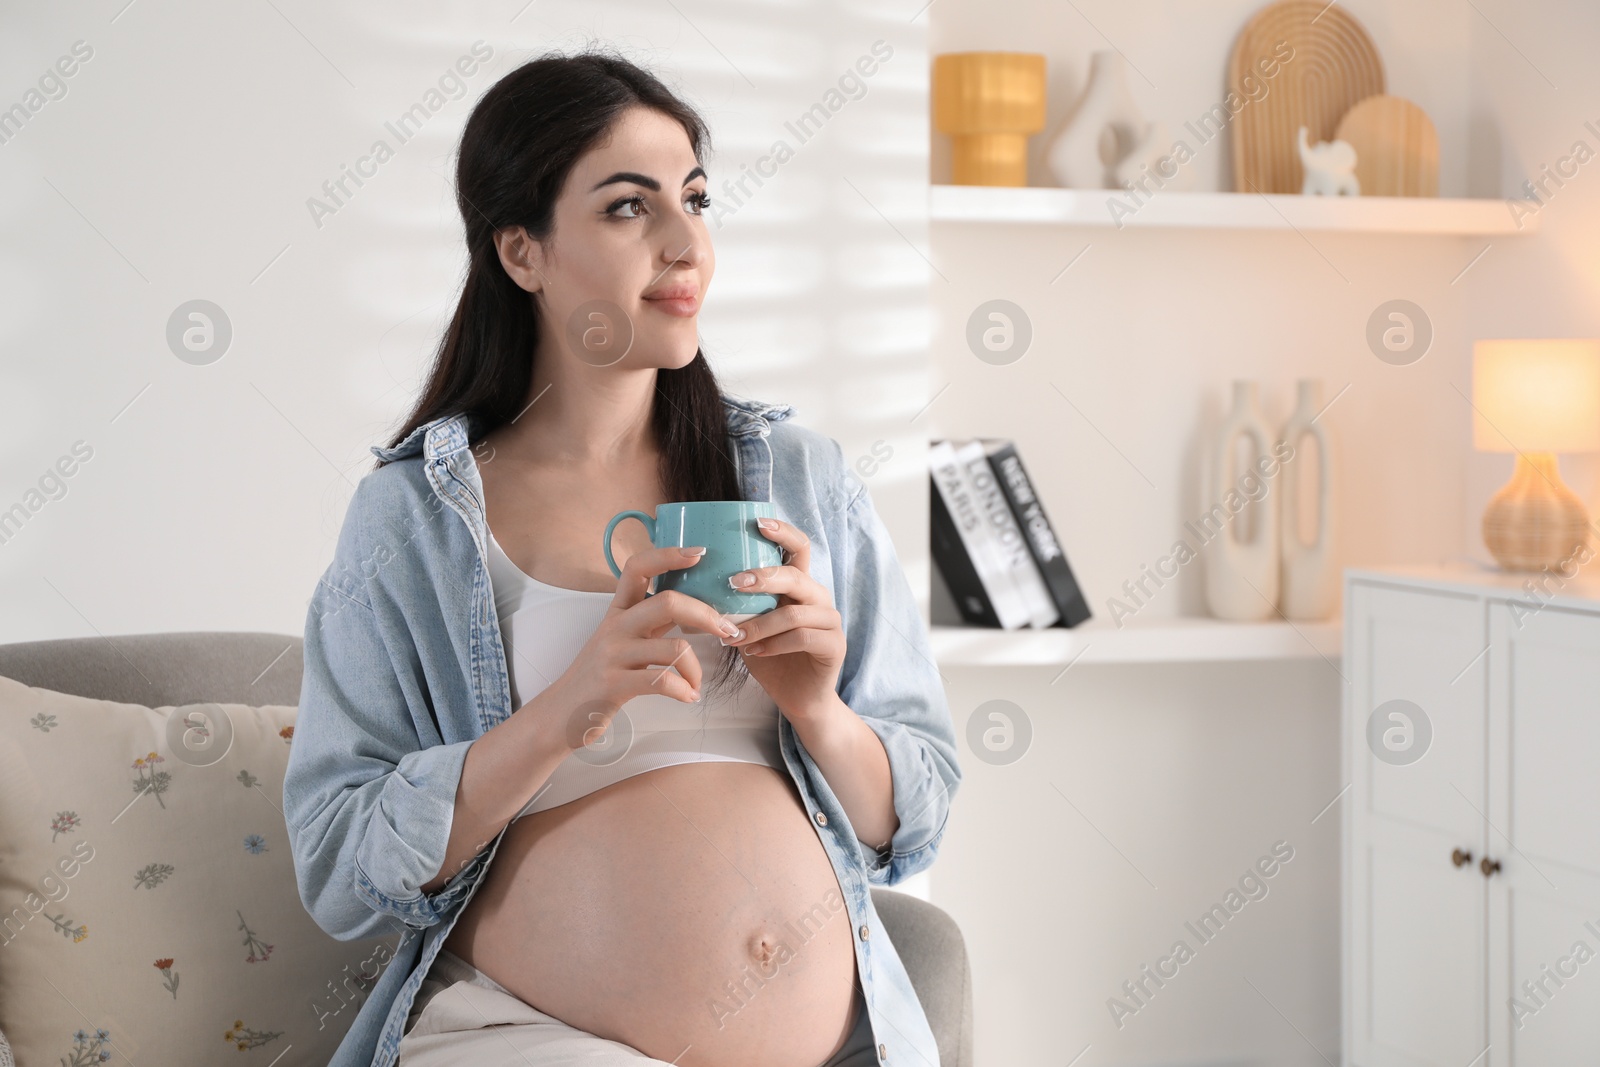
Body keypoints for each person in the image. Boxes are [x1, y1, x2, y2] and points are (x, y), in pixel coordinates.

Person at [282, 48, 959, 1067]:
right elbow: (341, 864)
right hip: (526, 1034)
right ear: (522, 252)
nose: (687, 243)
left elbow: (912, 822)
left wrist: (818, 706)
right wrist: (568, 707)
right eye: (629, 208)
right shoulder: (414, 516)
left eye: (695, 197)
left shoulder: (801, 478)